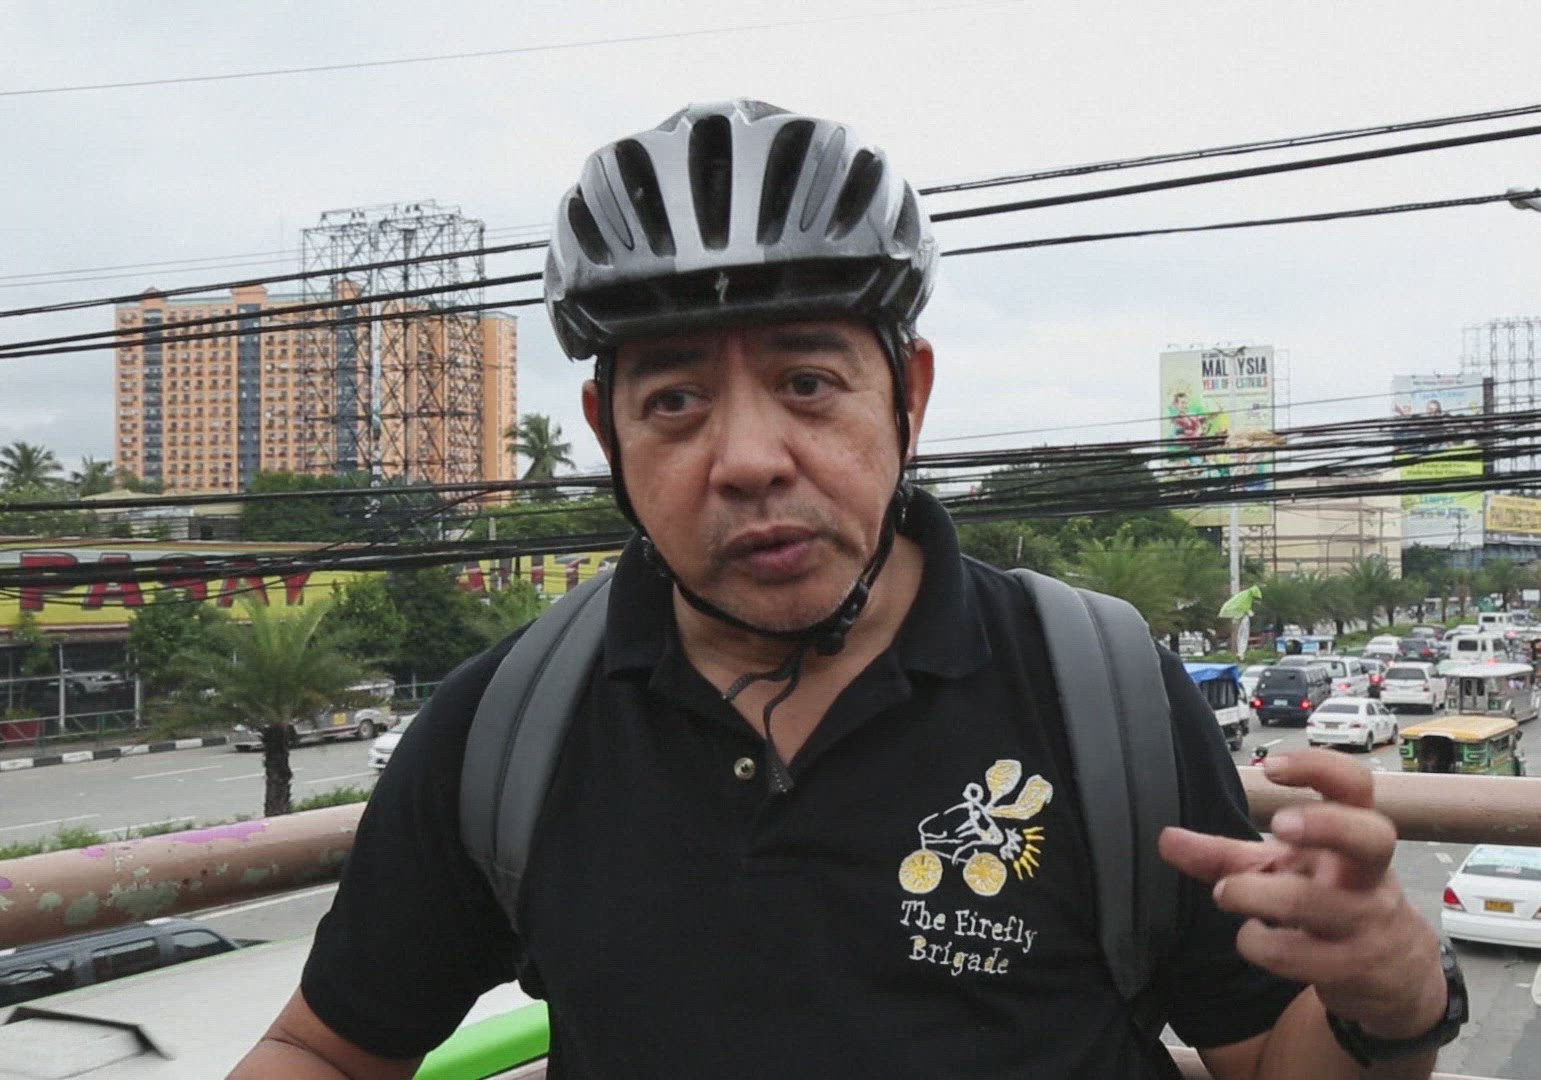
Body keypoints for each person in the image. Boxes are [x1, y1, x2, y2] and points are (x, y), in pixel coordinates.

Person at [233, 101, 1461, 1079]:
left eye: (809, 383)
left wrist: (1391, 996)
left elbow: (1264, 1057)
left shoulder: (1099, 693)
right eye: (675, 400)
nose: (749, 458)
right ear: (608, 434)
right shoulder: (513, 726)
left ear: (907, 396)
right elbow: (327, 1048)